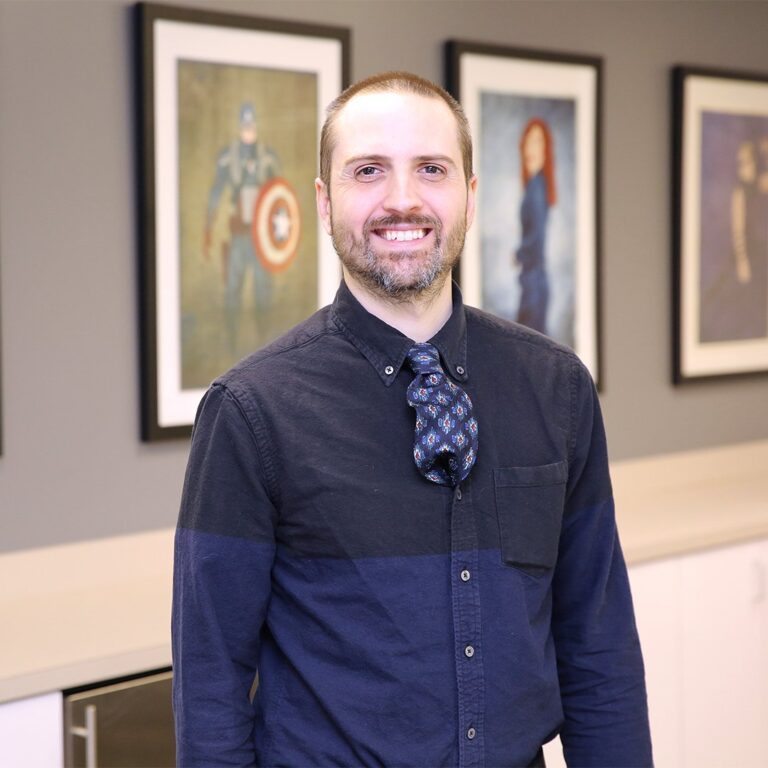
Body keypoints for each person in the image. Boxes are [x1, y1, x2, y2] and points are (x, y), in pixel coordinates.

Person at [173, 71, 652, 767]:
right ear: (325, 201)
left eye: (432, 169)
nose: (403, 199)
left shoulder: (557, 389)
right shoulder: (251, 412)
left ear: (470, 195)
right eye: (369, 170)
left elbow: (599, 652)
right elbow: (210, 687)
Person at [204, 102, 281, 353]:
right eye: (244, 124)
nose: (248, 129)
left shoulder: (267, 157)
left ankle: (266, 345)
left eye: (252, 124)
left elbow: (280, 197)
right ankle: (232, 343)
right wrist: (208, 227)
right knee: (232, 290)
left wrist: (278, 234)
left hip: (262, 236)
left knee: (263, 291)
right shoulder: (229, 157)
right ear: (239, 127)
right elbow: (216, 192)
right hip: (238, 233)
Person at [514, 118, 557, 335]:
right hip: (533, 280)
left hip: (534, 282)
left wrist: (520, 254)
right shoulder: (534, 185)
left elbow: (536, 236)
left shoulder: (537, 187)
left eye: (538, 142)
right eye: (529, 142)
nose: (532, 149)